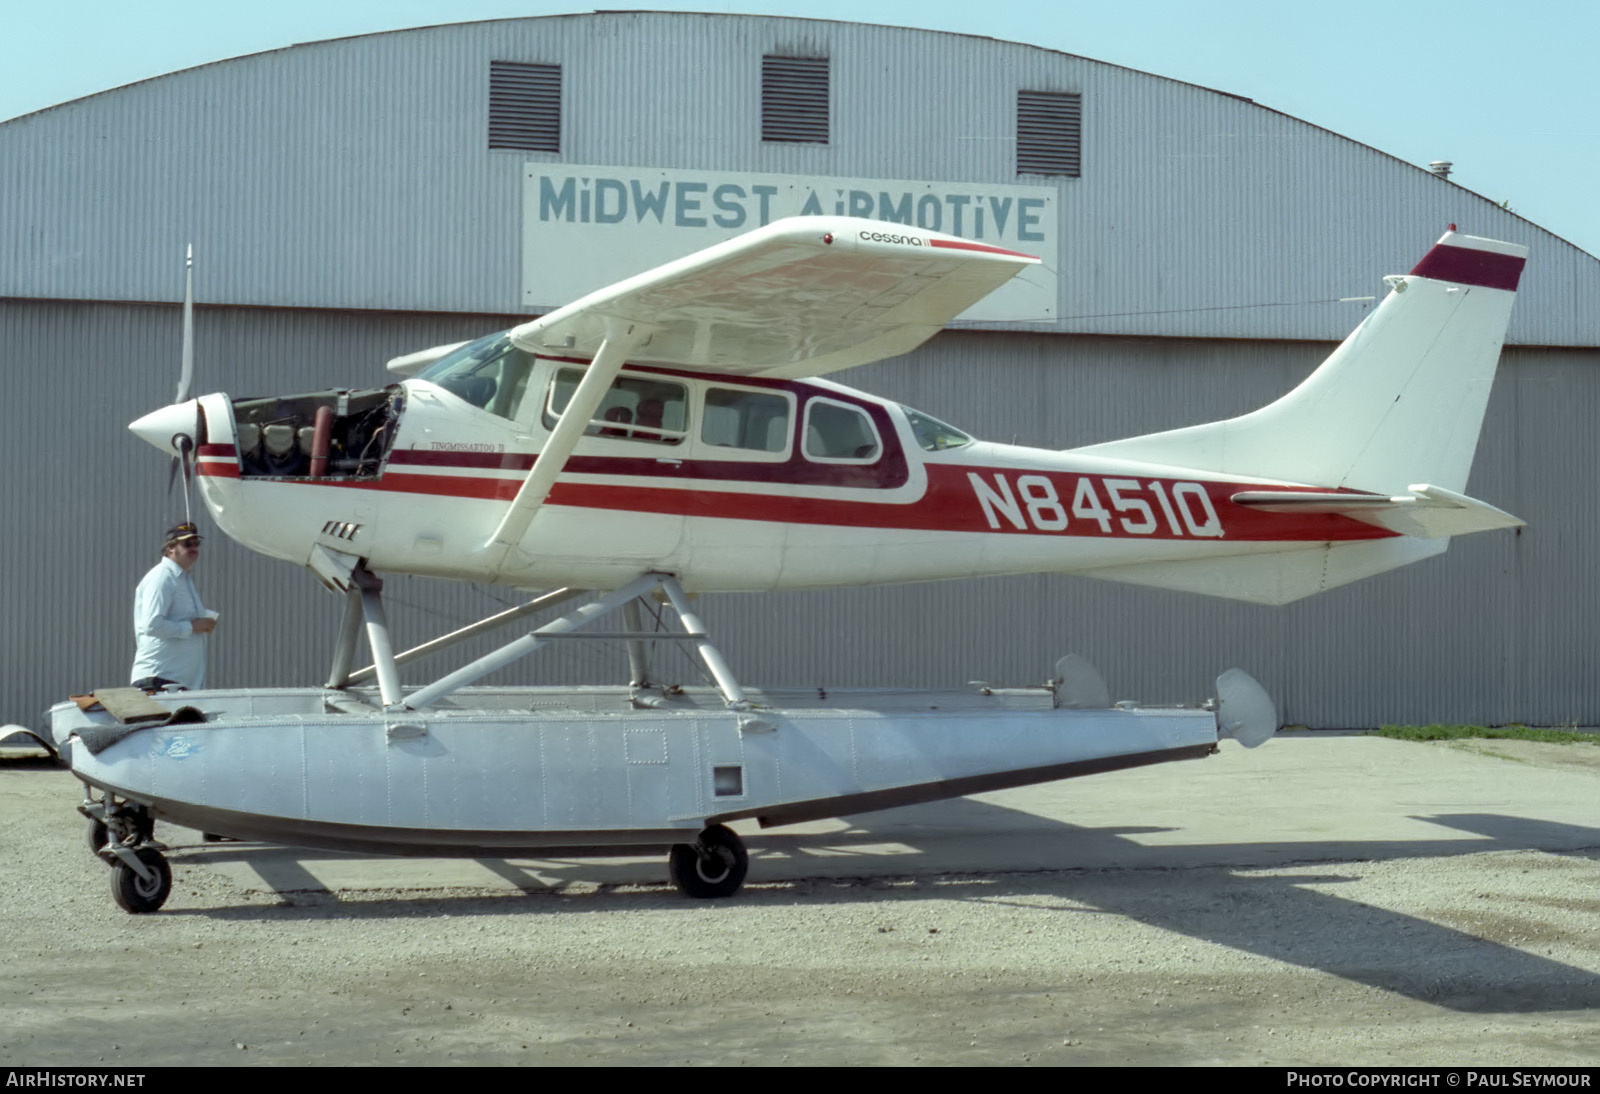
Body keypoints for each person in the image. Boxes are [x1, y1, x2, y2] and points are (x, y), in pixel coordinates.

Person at [130, 522, 219, 692]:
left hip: (176, 681)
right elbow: (152, 625)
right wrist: (192, 626)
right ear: (171, 548)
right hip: (159, 679)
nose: (193, 548)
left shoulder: (181, 579)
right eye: (187, 544)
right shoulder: (162, 577)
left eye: (196, 543)